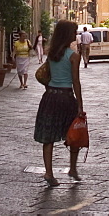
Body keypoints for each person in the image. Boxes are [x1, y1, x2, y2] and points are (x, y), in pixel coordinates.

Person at [34, 20, 85, 187]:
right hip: (66, 98)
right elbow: (75, 82)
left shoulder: (51, 54)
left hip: (49, 97)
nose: (75, 35)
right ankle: (72, 169)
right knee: (74, 135)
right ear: (67, 34)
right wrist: (80, 106)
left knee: (48, 136)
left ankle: (49, 172)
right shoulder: (74, 56)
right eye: (74, 32)